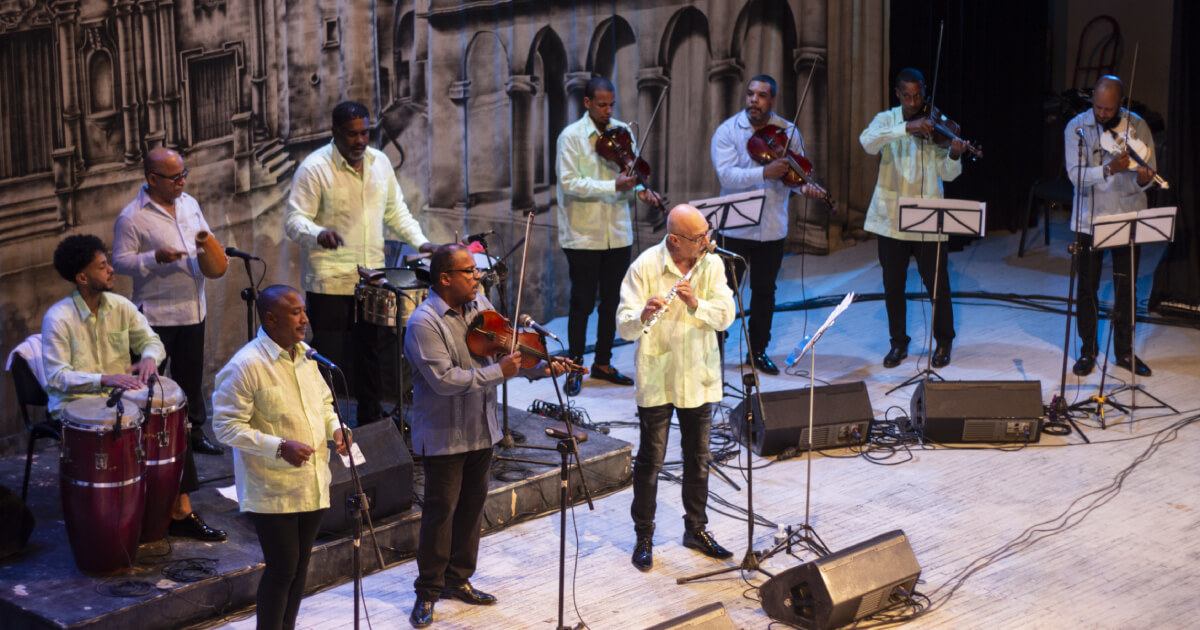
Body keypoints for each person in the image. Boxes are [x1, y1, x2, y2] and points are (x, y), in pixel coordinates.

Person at [404, 244, 564, 627]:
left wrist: (540, 369)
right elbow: (445, 381)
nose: (478, 277)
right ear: (445, 278)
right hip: (443, 434)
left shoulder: (481, 308)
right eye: (469, 271)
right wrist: (502, 373)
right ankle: (427, 592)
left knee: (472, 510)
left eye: (476, 271)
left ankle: (458, 580)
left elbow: (507, 352)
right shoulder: (424, 322)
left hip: (481, 430)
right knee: (440, 514)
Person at [42, 234, 225, 542]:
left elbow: (151, 340)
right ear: (82, 277)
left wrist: (151, 359)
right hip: (74, 410)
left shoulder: (121, 306)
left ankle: (179, 513)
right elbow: (56, 377)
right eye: (102, 267)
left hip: (121, 401)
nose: (111, 270)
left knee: (172, 422)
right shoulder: (58, 318)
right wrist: (104, 378)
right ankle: (112, 523)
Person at [285, 100, 435, 425]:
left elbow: (396, 213)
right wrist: (317, 232)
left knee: (369, 353)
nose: (360, 141)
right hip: (330, 280)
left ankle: (371, 422)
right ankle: (325, 424)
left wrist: (422, 243)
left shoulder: (379, 162)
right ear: (335, 132)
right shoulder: (314, 167)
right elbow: (294, 220)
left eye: (364, 133)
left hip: (371, 281)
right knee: (329, 358)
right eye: (352, 134)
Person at [211, 285, 351, 630]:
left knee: (300, 567)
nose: (304, 319)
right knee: (282, 568)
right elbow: (225, 427)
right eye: (295, 312)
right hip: (272, 489)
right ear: (271, 319)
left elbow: (322, 403)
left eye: (304, 310)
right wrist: (278, 445)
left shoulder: (306, 356)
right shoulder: (246, 365)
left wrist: (337, 428)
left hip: (312, 481)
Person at [615, 205, 736, 571]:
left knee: (698, 459)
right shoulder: (644, 266)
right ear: (674, 240)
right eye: (699, 238)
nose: (707, 242)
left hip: (697, 375)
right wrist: (643, 315)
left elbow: (726, 315)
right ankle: (644, 536)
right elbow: (623, 325)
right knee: (650, 461)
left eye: (706, 234)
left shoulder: (712, 265)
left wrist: (696, 303)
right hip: (658, 376)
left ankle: (695, 529)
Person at [710, 74, 826, 375]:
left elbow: (795, 176)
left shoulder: (788, 131)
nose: (753, 100)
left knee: (765, 291)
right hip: (733, 227)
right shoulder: (727, 132)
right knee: (723, 292)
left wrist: (806, 188)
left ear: (772, 100)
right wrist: (765, 172)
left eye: (761, 96)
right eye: (750, 94)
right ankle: (713, 348)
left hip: (772, 227)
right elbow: (727, 177)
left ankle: (757, 350)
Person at [555, 76, 657, 396]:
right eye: (602, 104)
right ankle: (574, 366)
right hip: (583, 235)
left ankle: (602, 361)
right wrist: (615, 186)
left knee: (612, 302)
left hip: (618, 233)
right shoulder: (570, 137)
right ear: (587, 103)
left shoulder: (621, 133)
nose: (608, 110)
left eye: (611, 103)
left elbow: (632, 169)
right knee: (582, 303)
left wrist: (641, 190)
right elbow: (570, 183)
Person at [859, 68, 964, 369]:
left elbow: (947, 175)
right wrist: (907, 128)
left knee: (937, 285)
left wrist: (954, 155)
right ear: (898, 94)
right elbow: (867, 142)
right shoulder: (887, 120)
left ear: (924, 93)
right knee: (893, 285)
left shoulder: (936, 125)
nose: (913, 101)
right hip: (891, 218)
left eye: (918, 95)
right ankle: (898, 343)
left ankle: (943, 341)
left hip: (929, 217)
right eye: (907, 96)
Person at [1065, 75, 1157, 377]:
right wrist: (1106, 169)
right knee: (1087, 287)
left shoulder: (1138, 126)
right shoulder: (1077, 127)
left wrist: (1144, 178)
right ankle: (1088, 350)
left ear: (1120, 103)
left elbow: (1148, 173)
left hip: (1127, 215)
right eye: (1098, 107)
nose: (1102, 114)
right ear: (1093, 100)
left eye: (1109, 109)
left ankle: (1125, 352)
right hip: (1089, 219)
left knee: (1126, 287)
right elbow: (1075, 175)